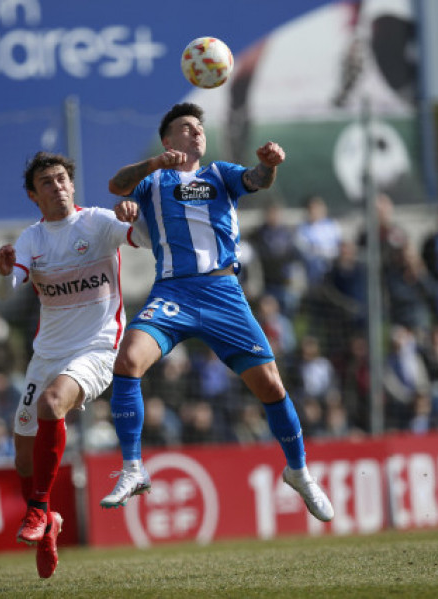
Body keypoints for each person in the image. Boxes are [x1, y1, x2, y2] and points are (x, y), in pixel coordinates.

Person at [104, 102, 334, 522]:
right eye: (185, 128)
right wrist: (152, 166)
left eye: (199, 129)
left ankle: (298, 471)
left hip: (223, 291)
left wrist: (269, 165)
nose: (196, 134)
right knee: (128, 359)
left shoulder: (218, 174)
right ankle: (133, 469)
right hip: (173, 291)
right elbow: (117, 185)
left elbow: (256, 180)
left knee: (270, 384)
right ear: (168, 139)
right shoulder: (152, 179)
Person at [0, 151, 150, 579]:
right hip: (47, 354)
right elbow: (8, 291)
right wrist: (4, 272)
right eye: (47, 182)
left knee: (51, 403)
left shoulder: (98, 222)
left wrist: (138, 215)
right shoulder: (32, 239)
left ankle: (40, 509)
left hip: (98, 348)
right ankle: (48, 527)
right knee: (23, 460)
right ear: (34, 195)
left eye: (62, 178)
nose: (57, 186)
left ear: (73, 184)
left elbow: (147, 241)